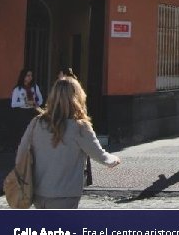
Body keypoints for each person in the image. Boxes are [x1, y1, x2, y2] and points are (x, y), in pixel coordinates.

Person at [14, 76, 120, 208]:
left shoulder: (37, 123)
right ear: (78, 97)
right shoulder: (80, 127)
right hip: (65, 194)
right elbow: (100, 155)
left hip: (38, 192)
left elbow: (21, 154)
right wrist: (114, 159)